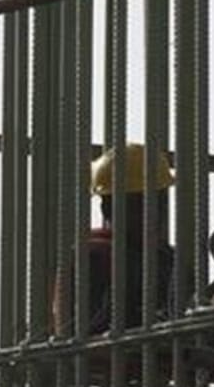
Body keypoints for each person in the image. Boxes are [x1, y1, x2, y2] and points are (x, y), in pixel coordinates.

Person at [56, 144, 177, 335]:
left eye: (160, 202)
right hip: (115, 360)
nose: (156, 213)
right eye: (141, 204)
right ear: (108, 209)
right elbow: (84, 332)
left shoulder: (168, 258)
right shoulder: (93, 257)